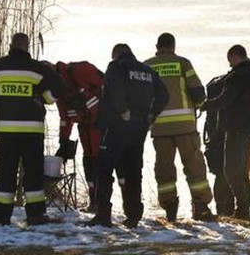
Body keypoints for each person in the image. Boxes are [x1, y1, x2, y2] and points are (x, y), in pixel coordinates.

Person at [0, 33, 65, 226]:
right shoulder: (37, 68)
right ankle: (35, 214)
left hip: (6, 132)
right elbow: (58, 89)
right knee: (33, 172)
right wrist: (43, 96)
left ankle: (2, 215)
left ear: (11, 45)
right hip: (32, 132)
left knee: (5, 172)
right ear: (27, 47)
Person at [87, 43, 169, 228]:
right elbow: (164, 94)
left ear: (116, 55)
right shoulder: (147, 71)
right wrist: (152, 114)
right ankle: (133, 215)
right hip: (139, 128)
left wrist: (123, 109)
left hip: (116, 126)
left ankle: (103, 214)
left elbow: (114, 86)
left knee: (104, 169)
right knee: (133, 171)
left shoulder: (116, 67)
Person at [144, 33, 216, 222]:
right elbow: (198, 93)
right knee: (195, 169)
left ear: (157, 46)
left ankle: (170, 210)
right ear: (173, 46)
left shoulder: (147, 66)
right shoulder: (183, 63)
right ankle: (201, 208)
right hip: (185, 126)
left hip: (160, 129)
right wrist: (198, 106)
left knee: (164, 170)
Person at [202, 45, 250, 222]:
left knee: (230, 171)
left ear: (235, 57)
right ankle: (245, 210)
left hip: (235, 129)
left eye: (230, 60)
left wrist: (204, 105)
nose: (229, 64)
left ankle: (241, 208)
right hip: (249, 129)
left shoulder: (236, 76)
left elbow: (225, 100)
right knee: (243, 171)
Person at [51, 60, 105, 211]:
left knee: (100, 161)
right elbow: (65, 118)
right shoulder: (58, 91)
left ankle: (103, 202)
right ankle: (94, 201)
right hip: (85, 125)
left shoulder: (80, 70)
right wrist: (63, 141)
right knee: (88, 160)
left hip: (100, 123)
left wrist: (87, 99)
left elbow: (106, 86)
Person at [202, 73, 232, 217]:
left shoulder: (215, 85)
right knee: (227, 174)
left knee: (220, 174)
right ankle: (228, 210)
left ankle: (222, 210)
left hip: (213, 136)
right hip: (226, 135)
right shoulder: (233, 82)